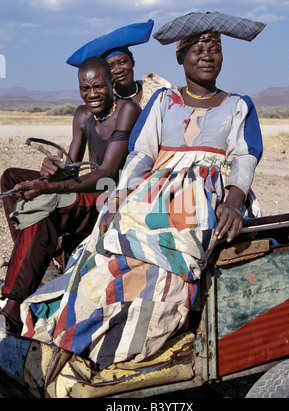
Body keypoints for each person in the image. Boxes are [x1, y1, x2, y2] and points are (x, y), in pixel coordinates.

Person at [20, 11, 265, 371]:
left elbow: (244, 157)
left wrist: (234, 198)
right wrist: (119, 196)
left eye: (214, 48)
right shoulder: (164, 101)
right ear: (180, 57)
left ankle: (140, 330)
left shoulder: (237, 105)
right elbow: (141, 155)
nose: (208, 55)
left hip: (205, 198)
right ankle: (84, 325)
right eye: (197, 49)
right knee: (106, 248)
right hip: (154, 192)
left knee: (169, 260)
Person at [0, 56, 141, 333]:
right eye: (84, 89)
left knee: (45, 204)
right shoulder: (82, 115)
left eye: (98, 87)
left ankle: (13, 306)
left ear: (111, 83)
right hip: (82, 188)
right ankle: (39, 255)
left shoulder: (128, 110)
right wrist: (50, 170)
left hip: (108, 195)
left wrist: (49, 187)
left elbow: (106, 172)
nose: (92, 95)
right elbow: (70, 165)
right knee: (11, 179)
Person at [66, 19, 171, 110]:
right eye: (110, 67)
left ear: (132, 62)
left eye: (123, 62)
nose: (118, 70)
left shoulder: (155, 92)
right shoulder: (103, 101)